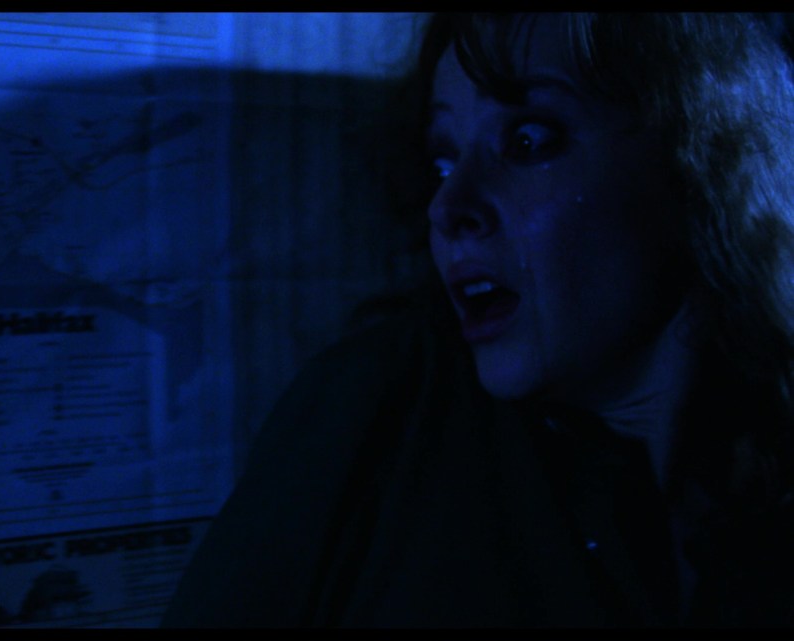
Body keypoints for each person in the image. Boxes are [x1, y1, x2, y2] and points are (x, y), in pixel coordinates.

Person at [162, 13, 794, 627]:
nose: (448, 206)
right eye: (443, 161)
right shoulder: (373, 409)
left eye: (528, 141)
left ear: (699, 163)